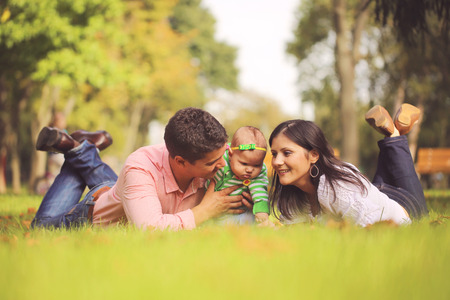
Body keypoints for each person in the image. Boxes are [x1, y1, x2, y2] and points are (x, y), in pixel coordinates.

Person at [31, 107, 251, 230]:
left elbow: (255, 174)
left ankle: (83, 149)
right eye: (212, 163)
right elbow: (150, 229)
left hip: (125, 192)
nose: (223, 164)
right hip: (92, 213)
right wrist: (205, 210)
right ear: (181, 161)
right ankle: (78, 150)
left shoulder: (218, 156)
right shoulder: (141, 166)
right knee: (40, 228)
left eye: (224, 153)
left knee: (121, 183)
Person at [269, 103, 428, 227]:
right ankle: (393, 132)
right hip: (371, 194)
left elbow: (374, 227)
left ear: (314, 155)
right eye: (274, 154)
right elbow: (295, 232)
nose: (276, 161)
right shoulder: (293, 194)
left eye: (287, 153)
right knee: (377, 189)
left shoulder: (334, 186)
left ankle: (393, 134)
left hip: (404, 207)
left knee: (422, 215)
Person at [207, 126, 270, 225]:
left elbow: (260, 191)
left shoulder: (259, 172)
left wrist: (261, 212)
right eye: (244, 164)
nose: (249, 170)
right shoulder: (221, 163)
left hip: (243, 209)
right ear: (231, 155)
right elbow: (207, 178)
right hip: (217, 208)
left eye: (256, 165)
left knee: (248, 221)